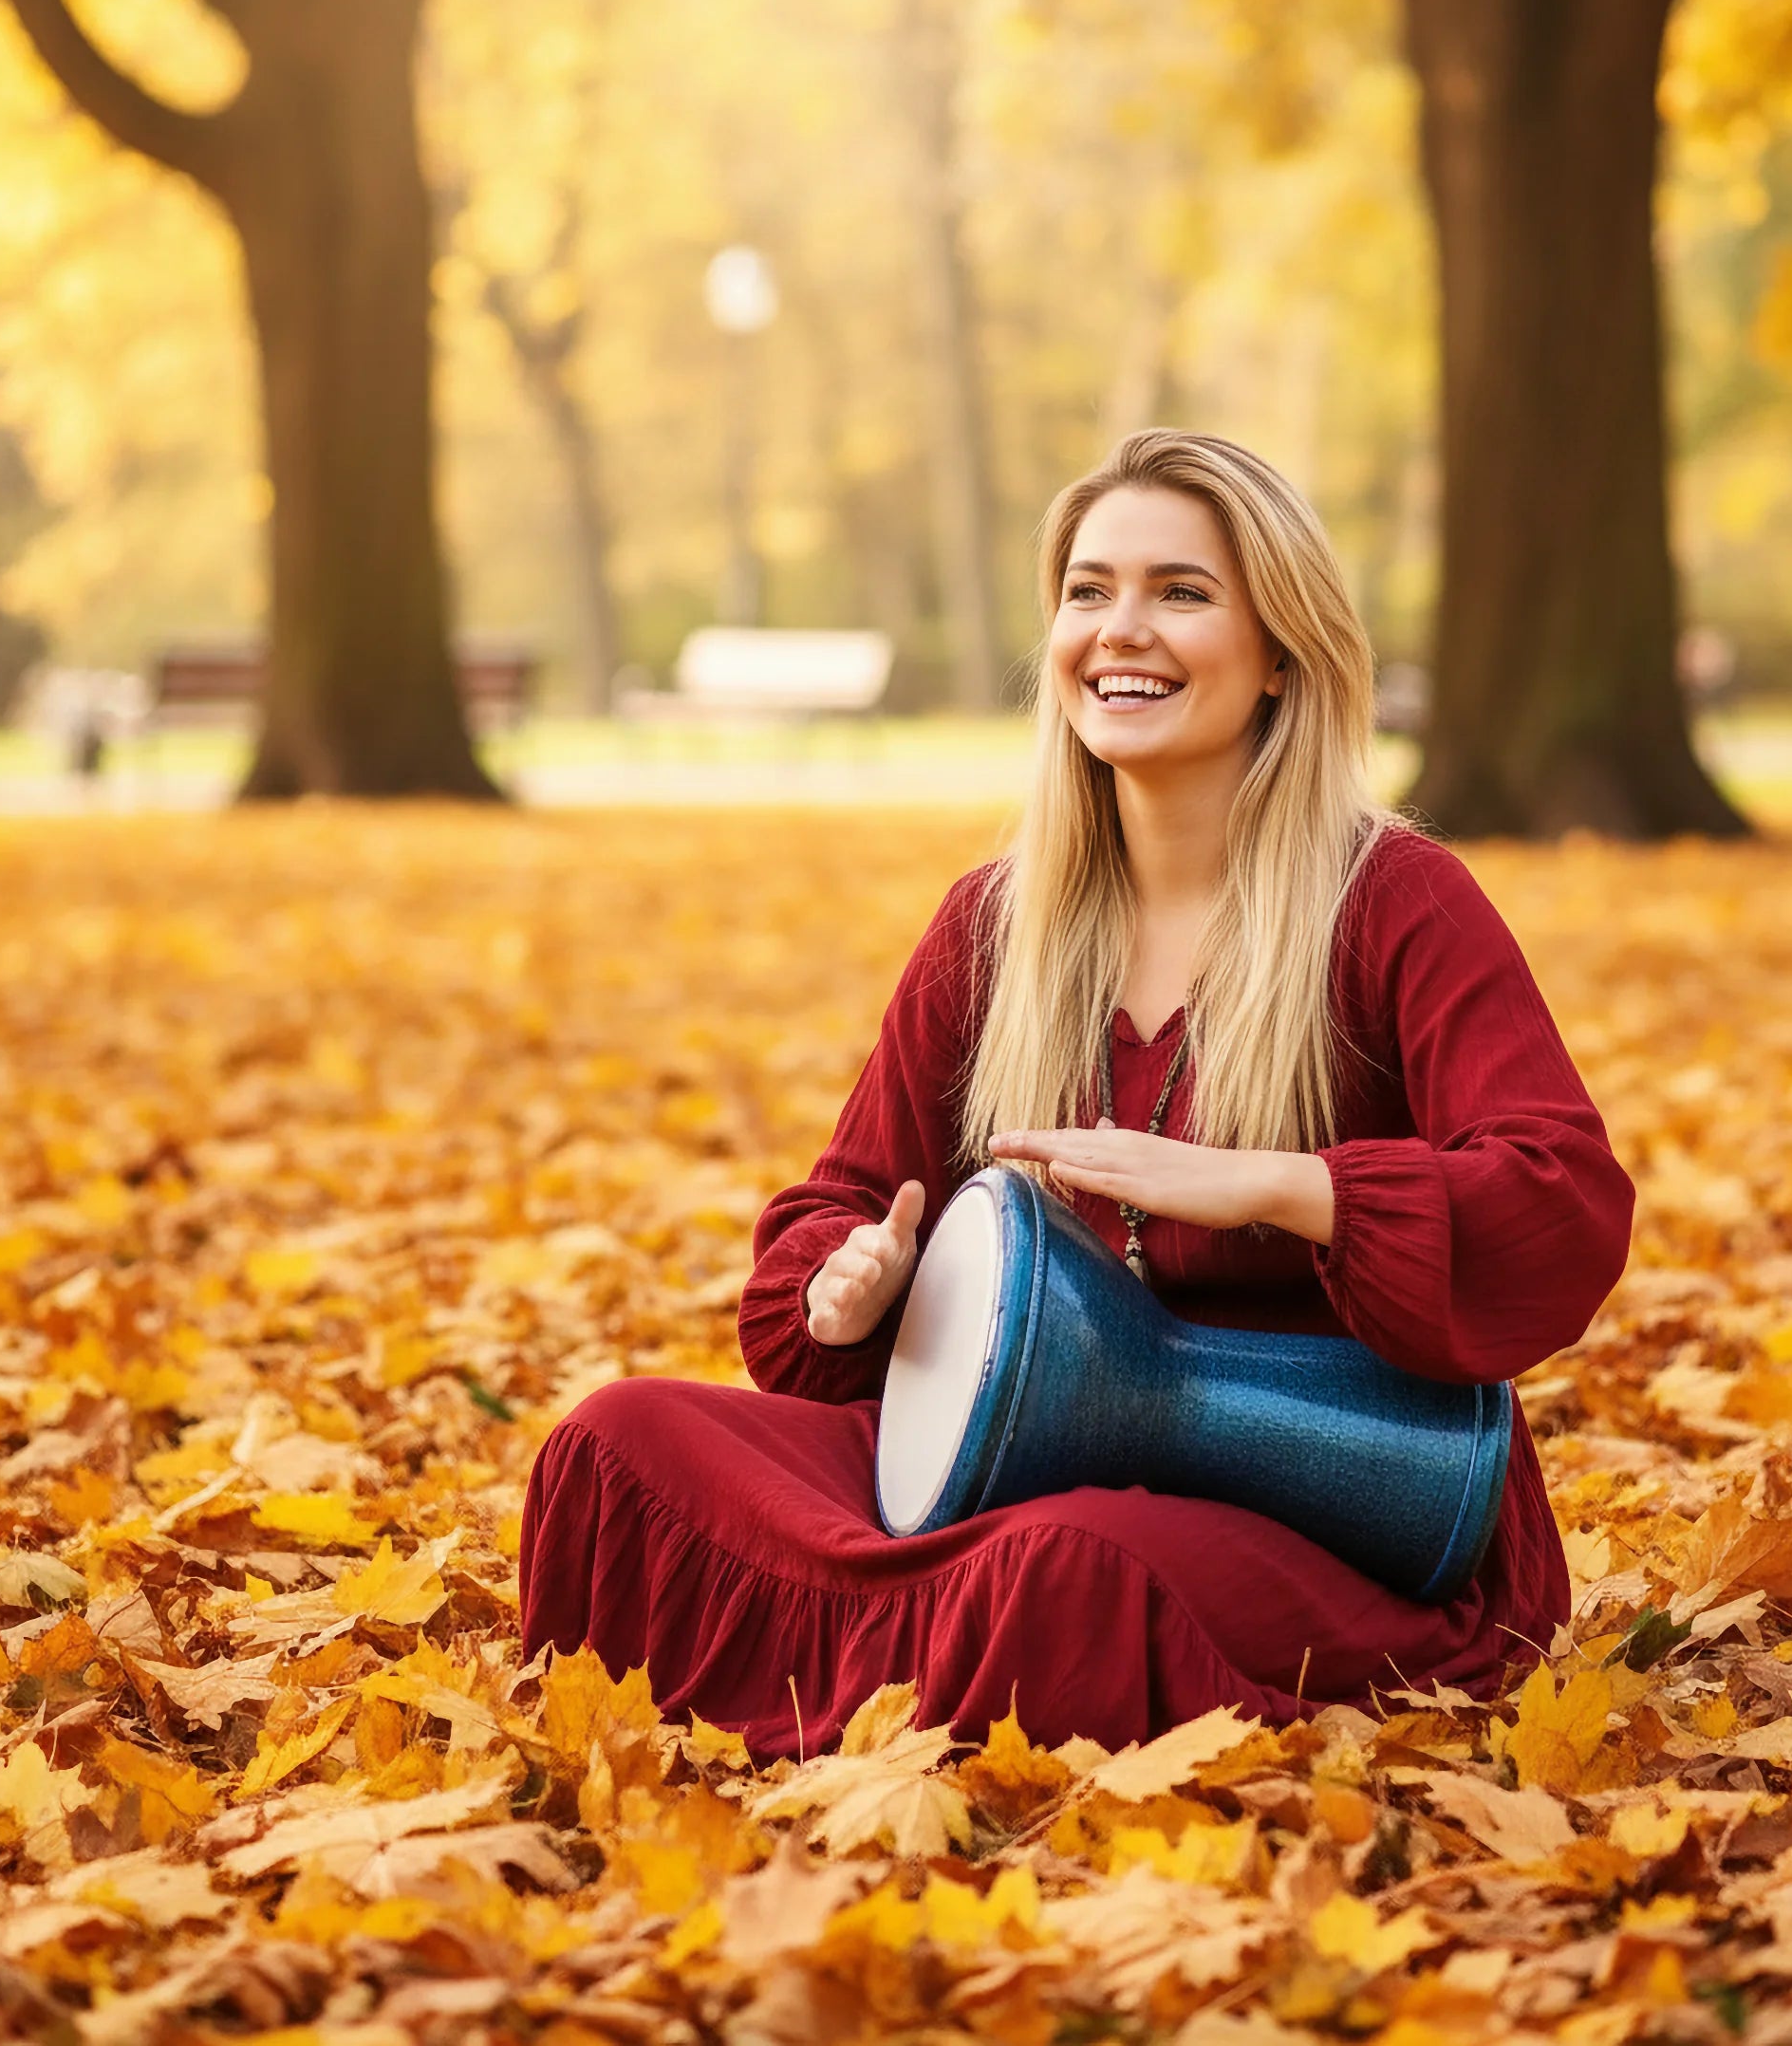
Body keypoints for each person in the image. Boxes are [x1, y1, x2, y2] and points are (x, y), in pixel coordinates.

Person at [520, 430, 1633, 1759]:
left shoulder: (1392, 901)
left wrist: (1287, 1188)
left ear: (1281, 651)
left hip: (1346, 1510)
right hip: (1022, 1467)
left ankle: (925, 1668)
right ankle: (923, 1669)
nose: (1123, 630)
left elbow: (1560, 1198)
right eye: (1089, 590)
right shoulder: (997, 926)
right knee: (618, 1442)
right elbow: (847, 1201)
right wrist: (849, 1278)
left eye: (1181, 592)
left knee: (1063, 1573)